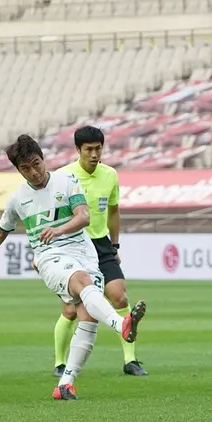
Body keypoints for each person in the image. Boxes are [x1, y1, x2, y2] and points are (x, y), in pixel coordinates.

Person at [0, 134, 147, 400]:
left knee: (88, 318)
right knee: (82, 282)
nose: (34, 173)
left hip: (85, 253)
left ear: (43, 159)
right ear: (18, 170)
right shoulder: (18, 199)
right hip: (49, 257)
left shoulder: (67, 181)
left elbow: (83, 216)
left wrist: (59, 229)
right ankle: (120, 323)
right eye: (25, 168)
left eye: (36, 164)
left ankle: (65, 384)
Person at [52, 125, 147, 378]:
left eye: (98, 149)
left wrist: (114, 246)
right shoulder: (63, 177)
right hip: (72, 246)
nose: (94, 154)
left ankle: (130, 360)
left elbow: (114, 211)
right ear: (78, 150)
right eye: (89, 150)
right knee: (71, 310)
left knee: (120, 298)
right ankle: (60, 363)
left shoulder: (110, 175)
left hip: (101, 244)